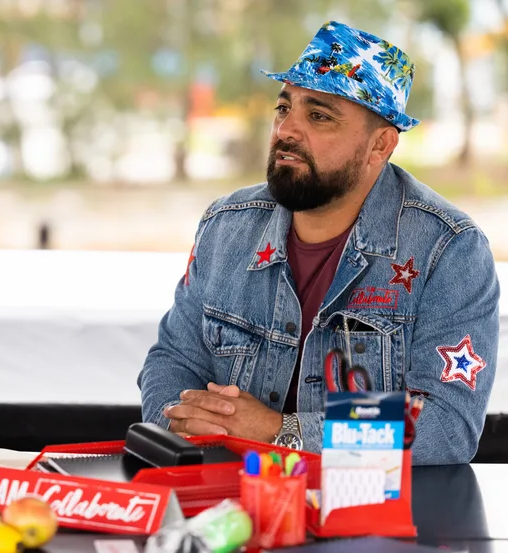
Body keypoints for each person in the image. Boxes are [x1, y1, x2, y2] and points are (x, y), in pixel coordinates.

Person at [139, 21, 498, 465]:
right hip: (231, 493)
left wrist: (279, 432)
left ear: (380, 145)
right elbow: (173, 359)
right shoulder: (226, 226)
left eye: (319, 116)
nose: (286, 130)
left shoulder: (448, 250)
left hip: (372, 504)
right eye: (283, 107)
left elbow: (445, 424)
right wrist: (185, 425)